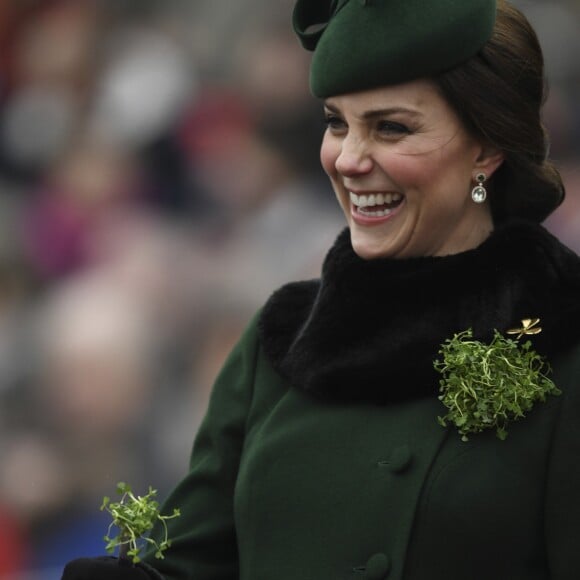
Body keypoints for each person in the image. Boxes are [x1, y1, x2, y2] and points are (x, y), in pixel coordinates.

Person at [62, 0, 580, 578]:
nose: (348, 159)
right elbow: (191, 562)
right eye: (337, 122)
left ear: (486, 148)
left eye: (391, 127)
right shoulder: (280, 339)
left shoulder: (561, 336)